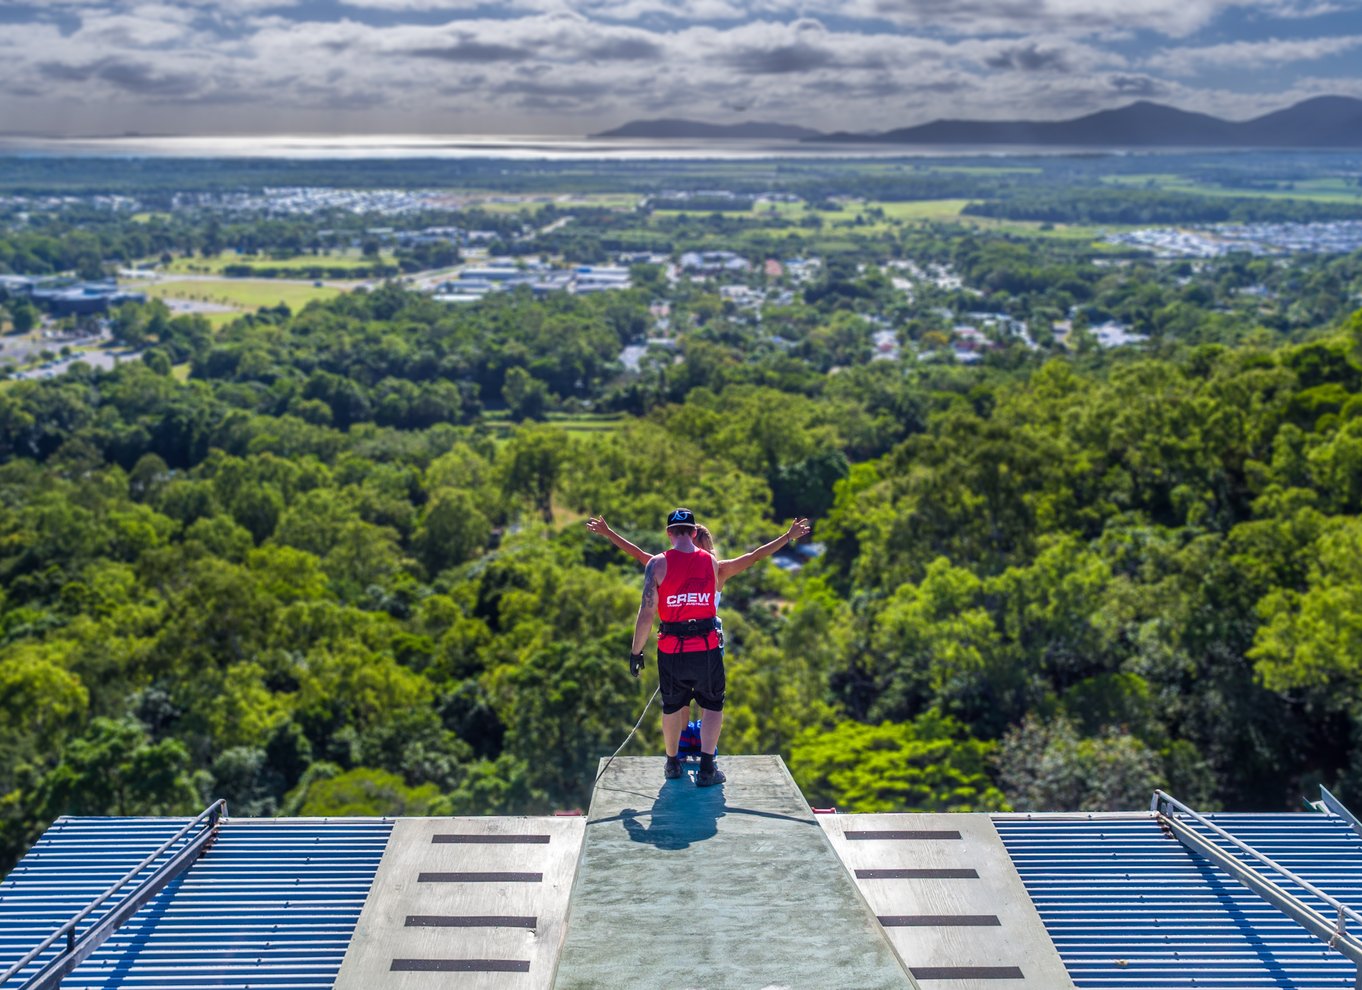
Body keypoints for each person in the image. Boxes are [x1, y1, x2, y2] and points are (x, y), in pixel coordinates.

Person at [599, 508, 811, 785]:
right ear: (695, 532)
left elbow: (646, 611)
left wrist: (636, 652)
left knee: (672, 706)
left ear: (669, 533)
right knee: (712, 705)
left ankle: (673, 762)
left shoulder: (658, 564)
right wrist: (787, 536)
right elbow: (755, 556)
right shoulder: (713, 566)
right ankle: (707, 767)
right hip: (707, 646)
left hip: (672, 648)